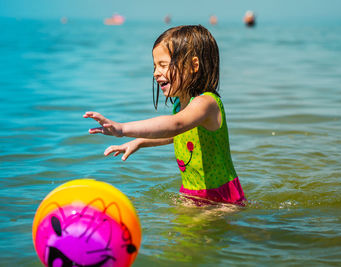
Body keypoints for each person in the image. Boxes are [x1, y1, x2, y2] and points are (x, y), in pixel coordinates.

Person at [83, 25, 246, 205]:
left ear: (193, 65)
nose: (155, 73)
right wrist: (140, 142)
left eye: (162, 65)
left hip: (223, 199)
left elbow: (175, 125)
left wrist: (122, 129)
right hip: (192, 193)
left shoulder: (206, 103)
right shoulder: (180, 104)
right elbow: (177, 135)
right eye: (154, 66)